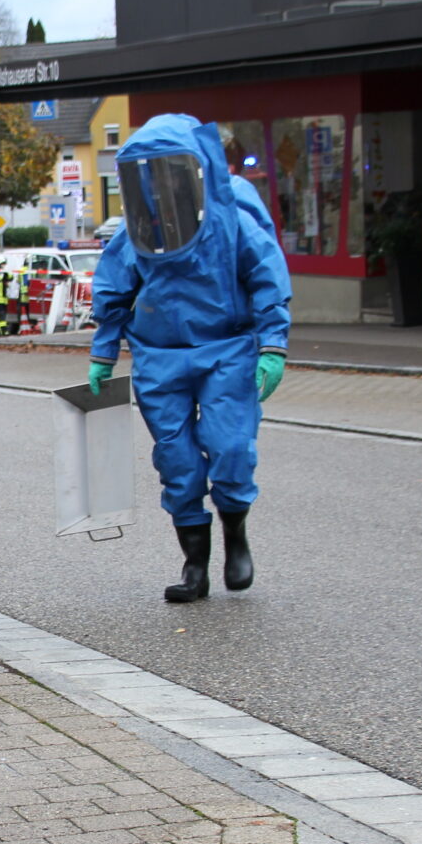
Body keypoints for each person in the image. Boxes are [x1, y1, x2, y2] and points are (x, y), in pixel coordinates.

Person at [86, 113, 290, 603]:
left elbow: (267, 280)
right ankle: (194, 563)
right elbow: (114, 286)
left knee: (230, 446)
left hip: (227, 348)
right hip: (159, 355)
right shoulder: (139, 230)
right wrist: (102, 352)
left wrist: (273, 345)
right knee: (176, 460)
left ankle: (235, 537)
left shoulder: (230, 220)